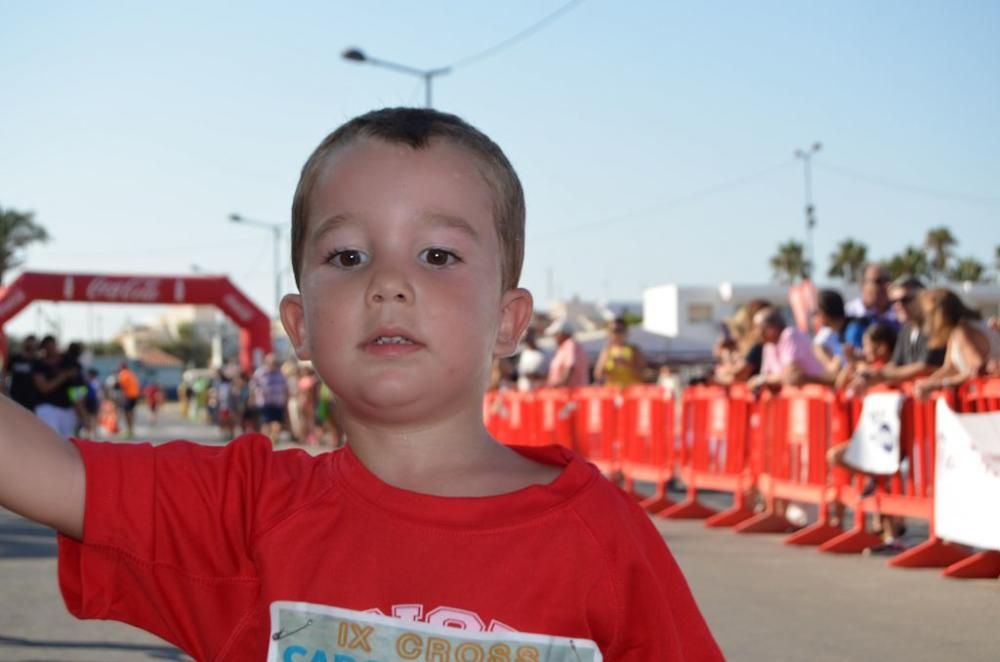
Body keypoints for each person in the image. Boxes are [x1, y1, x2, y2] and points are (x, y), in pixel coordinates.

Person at [0, 108, 721, 660]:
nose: (388, 282)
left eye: (438, 253)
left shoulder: (599, 535)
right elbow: (48, 472)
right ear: (299, 323)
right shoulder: (243, 511)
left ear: (509, 319)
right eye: (347, 255)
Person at [846, 277, 944, 394]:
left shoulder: (935, 327)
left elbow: (926, 367)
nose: (899, 305)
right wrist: (871, 374)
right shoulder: (906, 330)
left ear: (924, 298)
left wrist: (881, 375)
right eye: (894, 301)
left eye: (905, 299)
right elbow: (895, 363)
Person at [913, 288, 1000, 399]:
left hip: (989, 400)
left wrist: (937, 384)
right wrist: (928, 383)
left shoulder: (962, 332)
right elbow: (949, 367)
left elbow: (976, 370)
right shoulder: (959, 330)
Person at [747, 306, 827, 390]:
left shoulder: (790, 335)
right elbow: (766, 375)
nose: (755, 332)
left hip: (818, 393)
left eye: (758, 327)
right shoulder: (768, 345)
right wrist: (765, 379)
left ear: (772, 328)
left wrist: (764, 380)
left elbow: (790, 375)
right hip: (799, 398)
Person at [31, 336, 82, 437]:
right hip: (47, 406)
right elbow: (44, 388)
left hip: (67, 408)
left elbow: (77, 386)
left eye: (52, 346)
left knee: (69, 440)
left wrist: (81, 409)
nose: (51, 349)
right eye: (48, 347)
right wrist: (63, 376)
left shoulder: (69, 361)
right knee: (51, 437)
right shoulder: (39, 364)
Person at [250, 353, 289, 444]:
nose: (274, 364)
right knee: (266, 423)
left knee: (277, 423)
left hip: (278, 402)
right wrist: (252, 398)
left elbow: (285, 388)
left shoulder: (280, 373)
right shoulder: (260, 373)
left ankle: (273, 440)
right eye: (272, 362)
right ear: (266, 362)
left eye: (275, 362)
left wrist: (286, 399)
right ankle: (265, 441)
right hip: (264, 402)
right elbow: (253, 386)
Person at [594, 317, 645, 386]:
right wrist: (604, 368)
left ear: (625, 332)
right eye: (612, 330)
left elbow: (643, 374)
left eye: (619, 330)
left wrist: (627, 364)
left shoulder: (634, 350)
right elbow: (598, 375)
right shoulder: (607, 350)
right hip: (612, 391)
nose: (615, 334)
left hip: (631, 392)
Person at [545, 318, 591, 387]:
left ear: (562, 334)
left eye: (555, 335)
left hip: (570, 393)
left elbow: (570, 367)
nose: (554, 338)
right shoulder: (563, 348)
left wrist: (558, 385)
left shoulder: (570, 344)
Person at [4, 335, 39, 411]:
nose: (30, 347)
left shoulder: (37, 362)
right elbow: (5, 374)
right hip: (14, 397)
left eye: (32, 345)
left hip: (31, 400)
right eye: (28, 344)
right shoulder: (15, 358)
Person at [514, 325, 548, 391]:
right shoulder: (522, 353)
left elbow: (546, 373)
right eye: (528, 336)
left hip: (539, 388)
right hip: (524, 388)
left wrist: (536, 376)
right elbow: (518, 372)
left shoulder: (544, 353)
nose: (529, 338)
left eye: (531, 335)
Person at [116, 361, 141, 438]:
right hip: (135, 395)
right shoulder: (131, 373)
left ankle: (129, 431)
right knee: (130, 412)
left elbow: (120, 385)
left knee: (127, 413)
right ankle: (131, 430)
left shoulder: (123, 374)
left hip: (129, 396)